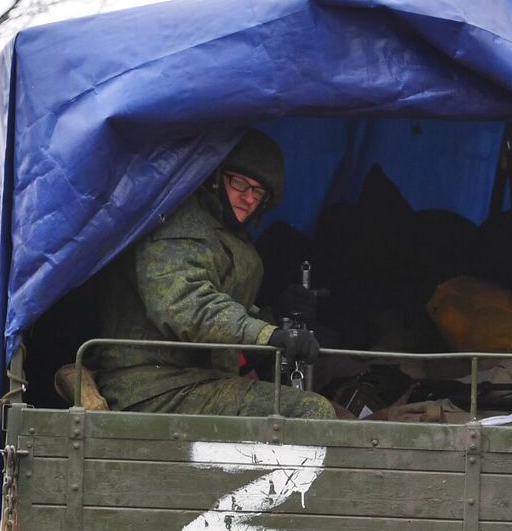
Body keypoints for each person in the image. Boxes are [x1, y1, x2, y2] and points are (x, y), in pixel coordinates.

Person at [85, 129, 334, 419]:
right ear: (216, 178)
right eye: (239, 183)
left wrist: (275, 316)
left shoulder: (227, 235)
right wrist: (267, 334)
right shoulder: (179, 224)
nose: (248, 198)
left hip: (198, 381)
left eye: (258, 192)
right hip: (153, 389)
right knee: (308, 412)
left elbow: (226, 314)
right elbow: (186, 304)